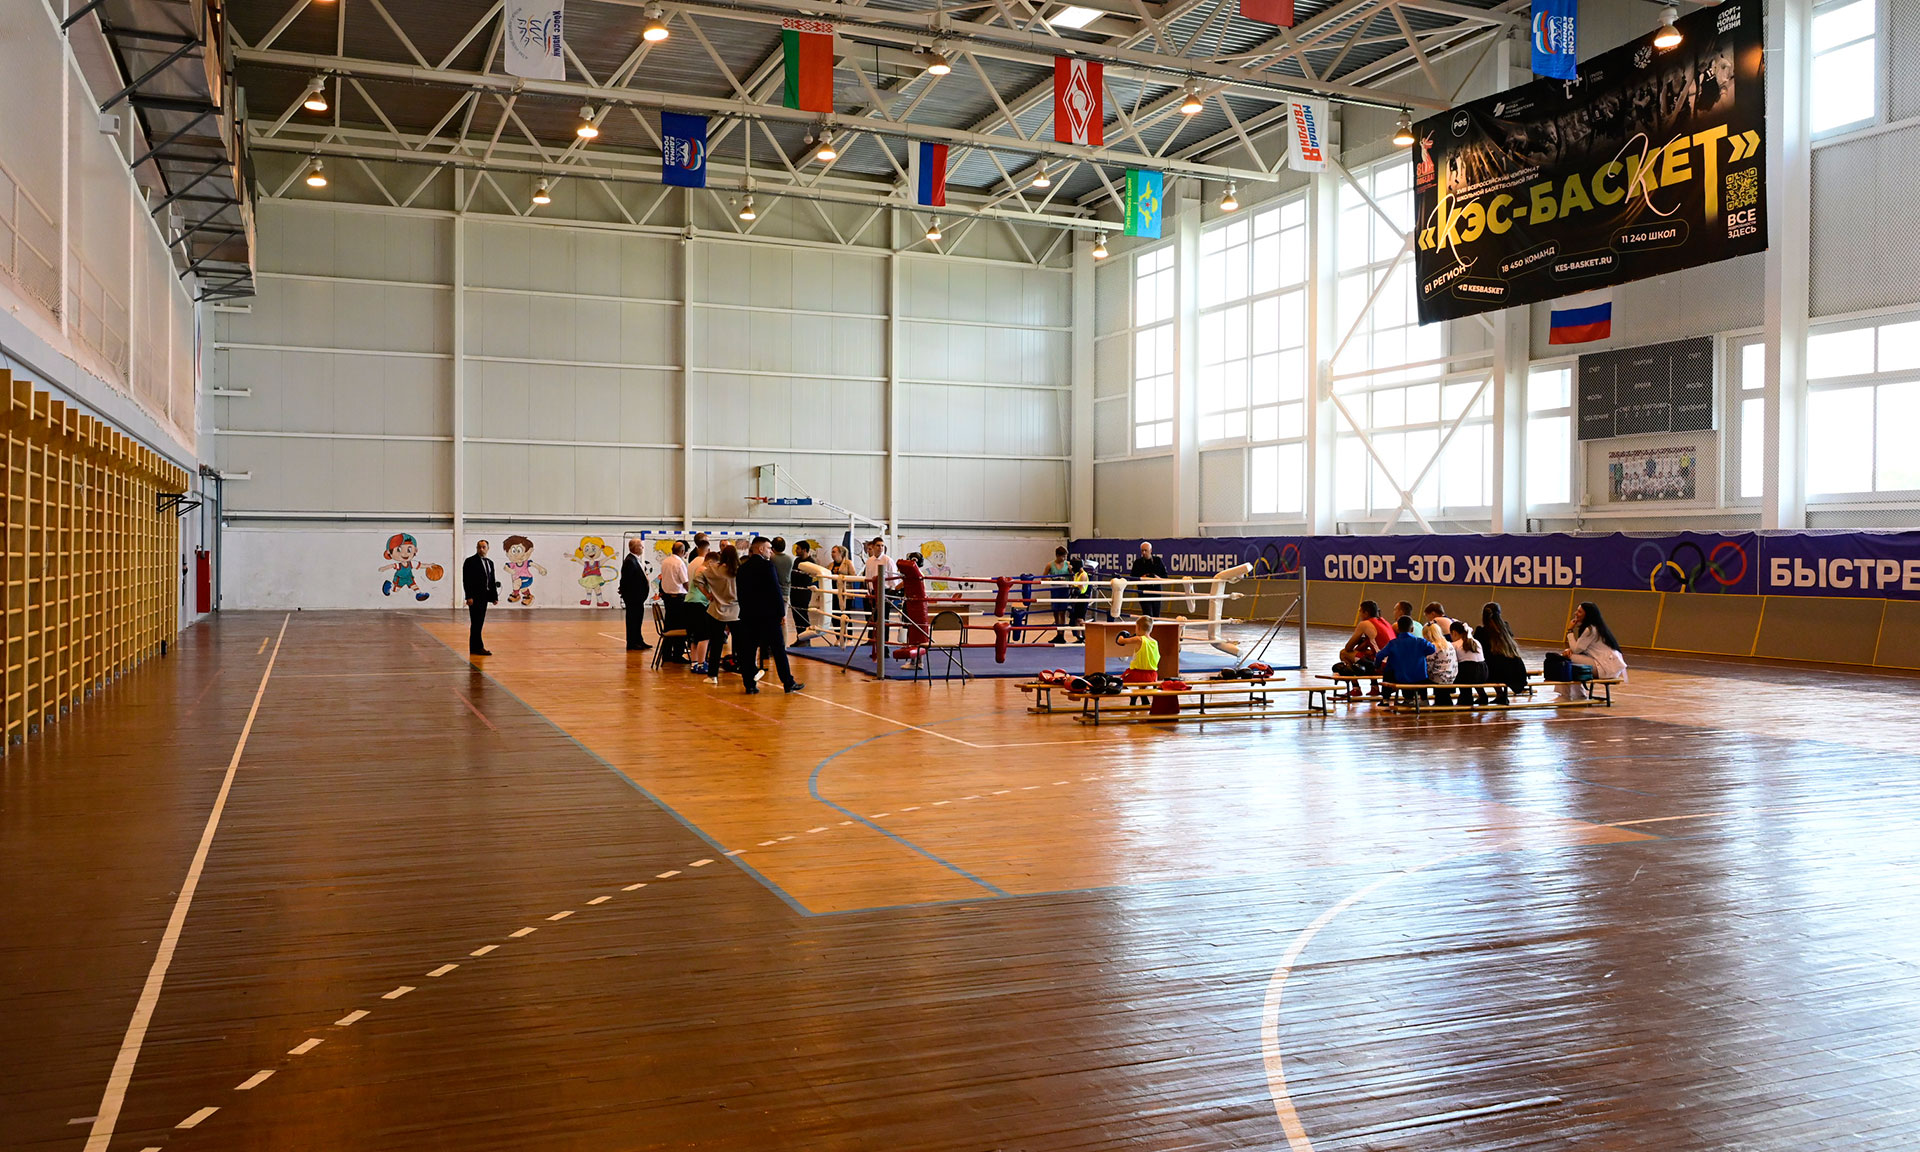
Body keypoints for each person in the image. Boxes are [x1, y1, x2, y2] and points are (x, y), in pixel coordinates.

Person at [736, 537, 804, 695]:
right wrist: (781, 613)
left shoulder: (743, 568)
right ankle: (788, 682)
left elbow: (740, 593)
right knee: (778, 650)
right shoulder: (767, 566)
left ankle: (749, 685)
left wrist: (745, 610)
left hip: (748, 615)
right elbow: (775, 591)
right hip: (768, 616)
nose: (770, 551)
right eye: (768, 548)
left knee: (749, 651)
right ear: (760, 549)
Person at [1558, 601, 1628, 700]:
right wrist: (1569, 650)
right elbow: (1580, 649)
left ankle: (1565, 696)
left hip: (1606, 668)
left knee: (1563, 661)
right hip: (1609, 666)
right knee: (1571, 664)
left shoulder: (1591, 630)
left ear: (1588, 614)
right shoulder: (1596, 627)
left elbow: (1576, 650)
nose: (1576, 613)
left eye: (1579, 612)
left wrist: (1569, 631)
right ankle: (1579, 694)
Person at [694, 543, 741, 686]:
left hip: (716, 610)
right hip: (736, 611)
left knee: (716, 644)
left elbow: (697, 579)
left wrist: (707, 594)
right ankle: (748, 671)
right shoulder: (740, 570)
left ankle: (712, 675)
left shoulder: (714, 569)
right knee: (742, 644)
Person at [1114, 614, 1177, 716]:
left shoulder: (1139, 639)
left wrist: (1121, 635)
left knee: (1120, 683)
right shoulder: (1155, 642)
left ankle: (1133, 696)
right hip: (1152, 675)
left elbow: (1120, 641)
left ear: (1138, 627)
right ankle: (1143, 696)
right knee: (1142, 681)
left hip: (1137, 673)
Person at [1479, 602, 1529, 706]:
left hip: (1496, 671)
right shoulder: (1506, 627)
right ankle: (1500, 695)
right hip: (1516, 669)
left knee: (1477, 668)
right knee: (1494, 663)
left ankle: (1482, 695)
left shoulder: (1482, 631)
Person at [1377, 616, 1435, 704]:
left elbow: (1380, 655)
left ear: (1398, 629)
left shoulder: (1393, 643)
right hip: (1419, 679)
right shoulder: (1421, 642)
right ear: (1412, 629)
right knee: (1419, 670)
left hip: (1400, 678)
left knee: (1389, 670)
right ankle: (1424, 699)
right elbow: (1432, 649)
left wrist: (1377, 666)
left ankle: (1385, 699)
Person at [1335, 600, 1397, 677]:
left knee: (1344, 653)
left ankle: (1355, 683)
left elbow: (1348, 648)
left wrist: (1358, 640)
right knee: (1368, 652)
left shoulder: (1365, 624)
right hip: (1395, 664)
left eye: (1360, 611)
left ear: (1366, 613)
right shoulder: (1386, 623)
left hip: (1383, 666)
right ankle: (1374, 684)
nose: (1359, 615)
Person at [462, 539, 500, 656]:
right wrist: (469, 596)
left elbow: (491, 580)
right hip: (475, 597)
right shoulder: (470, 561)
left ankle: (476, 647)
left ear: (488, 548)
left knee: (479, 622)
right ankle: (477, 647)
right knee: (476, 623)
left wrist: (494, 597)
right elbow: (466, 580)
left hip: (484, 597)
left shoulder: (490, 563)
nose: (481, 549)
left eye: (483, 547)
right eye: (479, 547)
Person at [657, 541, 691, 662]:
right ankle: (677, 654)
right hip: (678, 599)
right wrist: (691, 591)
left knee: (669, 626)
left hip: (668, 598)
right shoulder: (679, 563)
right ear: (682, 551)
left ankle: (666, 654)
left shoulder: (665, 561)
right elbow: (685, 582)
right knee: (680, 626)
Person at [618, 540, 653, 652]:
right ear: (635, 548)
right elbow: (626, 579)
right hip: (633, 597)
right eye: (641, 546)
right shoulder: (630, 561)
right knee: (633, 620)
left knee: (638, 620)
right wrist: (624, 591)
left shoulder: (635, 560)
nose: (643, 548)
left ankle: (639, 640)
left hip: (638, 597)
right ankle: (632, 643)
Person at [1451, 620, 1489, 705]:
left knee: (1459, 669)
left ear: (1454, 633)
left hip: (1468, 673)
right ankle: (1483, 695)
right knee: (1470, 668)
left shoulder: (1455, 644)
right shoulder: (1476, 642)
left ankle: (1466, 697)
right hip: (1483, 672)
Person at [1129, 541, 1168, 618]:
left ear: (1151, 550)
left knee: (1156, 615)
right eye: (1142, 550)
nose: (1144, 552)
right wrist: (1141, 578)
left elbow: (1165, 576)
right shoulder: (1137, 562)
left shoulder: (1158, 560)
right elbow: (1132, 578)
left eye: (1145, 550)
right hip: (1144, 592)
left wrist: (1158, 578)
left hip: (1156, 591)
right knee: (1147, 614)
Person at [1043, 546, 1071, 643]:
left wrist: (1071, 571)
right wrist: (1053, 579)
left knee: (1062, 612)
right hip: (1055, 589)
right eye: (1062, 556)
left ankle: (1062, 634)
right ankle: (1058, 633)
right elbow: (1043, 577)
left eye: (1065, 556)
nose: (1064, 558)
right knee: (1055, 612)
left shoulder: (1068, 564)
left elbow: (1073, 578)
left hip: (1064, 589)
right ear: (1057, 555)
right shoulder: (1050, 565)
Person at [1424, 620, 1456, 705]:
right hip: (1451, 677)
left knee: (1420, 677)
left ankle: (1423, 700)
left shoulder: (1432, 646)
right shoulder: (1449, 644)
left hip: (1438, 678)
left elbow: (1428, 665)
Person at [830, 544, 857, 638]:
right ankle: (839, 637)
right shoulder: (830, 565)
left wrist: (841, 578)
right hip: (834, 593)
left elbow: (853, 577)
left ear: (840, 553)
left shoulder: (848, 563)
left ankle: (849, 637)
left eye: (834, 552)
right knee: (835, 616)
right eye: (831, 552)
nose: (832, 554)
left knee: (846, 615)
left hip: (845, 594)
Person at [770, 537, 794, 639]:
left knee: (772, 620)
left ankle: (772, 643)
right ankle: (784, 644)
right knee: (783, 619)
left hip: (774, 593)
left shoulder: (772, 559)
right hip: (786, 592)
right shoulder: (790, 559)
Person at [789, 541, 815, 636]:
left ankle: (806, 637)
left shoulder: (811, 562)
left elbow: (805, 578)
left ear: (804, 550)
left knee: (802, 615)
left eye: (798, 548)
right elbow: (793, 575)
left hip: (803, 593)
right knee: (796, 616)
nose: (796, 550)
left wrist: (797, 575)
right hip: (794, 592)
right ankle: (800, 636)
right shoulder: (797, 560)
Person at [1066, 555, 1091, 643]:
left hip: (1082, 598)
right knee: (1076, 618)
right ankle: (1079, 637)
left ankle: (1086, 637)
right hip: (1076, 598)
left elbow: (1078, 589)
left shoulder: (1083, 575)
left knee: (1080, 618)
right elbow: (1073, 585)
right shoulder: (1077, 574)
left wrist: (1073, 589)